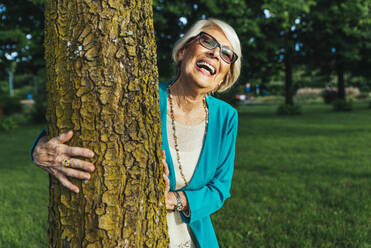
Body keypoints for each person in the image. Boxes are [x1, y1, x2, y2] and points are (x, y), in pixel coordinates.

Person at [31, 18, 241, 248]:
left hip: (195, 240)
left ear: (224, 77)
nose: (214, 54)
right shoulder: (144, 95)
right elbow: (91, 124)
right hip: (134, 234)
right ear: (183, 51)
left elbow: (219, 189)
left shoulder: (226, 117)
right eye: (208, 41)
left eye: (226, 54)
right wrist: (39, 149)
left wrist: (172, 199)